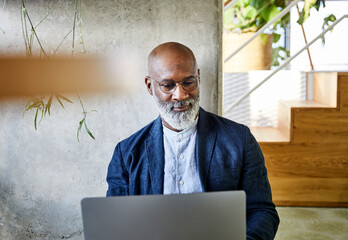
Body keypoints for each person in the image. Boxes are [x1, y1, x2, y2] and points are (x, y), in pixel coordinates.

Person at [106, 42, 279, 239]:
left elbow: (262, 211)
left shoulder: (240, 140)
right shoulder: (126, 154)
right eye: (167, 85)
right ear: (149, 86)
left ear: (198, 77)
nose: (180, 95)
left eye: (189, 82)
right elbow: (117, 224)